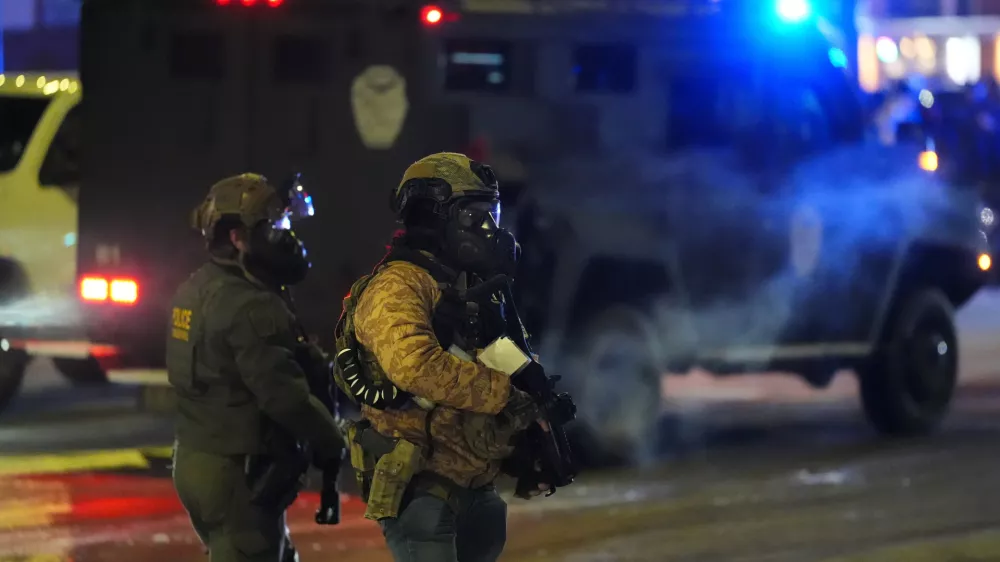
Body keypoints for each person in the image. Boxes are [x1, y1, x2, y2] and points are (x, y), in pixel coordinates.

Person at [336, 152, 551, 562]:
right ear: (436, 218)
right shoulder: (397, 285)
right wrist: (503, 393)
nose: (490, 229)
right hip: (423, 488)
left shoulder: (464, 285)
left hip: (473, 484)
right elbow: (414, 365)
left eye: (493, 214)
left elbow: (497, 355)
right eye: (476, 216)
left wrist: (530, 420)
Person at [166, 173, 345, 562]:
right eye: (275, 226)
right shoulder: (253, 306)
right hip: (237, 475)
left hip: (197, 461)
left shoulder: (193, 290)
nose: (285, 236)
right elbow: (285, 398)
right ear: (237, 237)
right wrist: (332, 440)